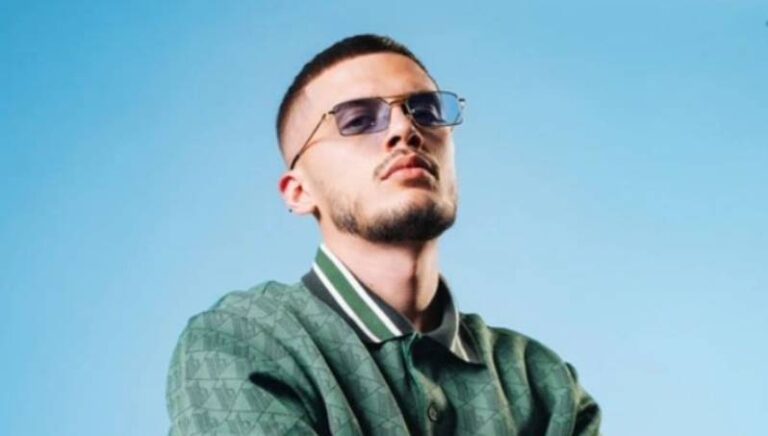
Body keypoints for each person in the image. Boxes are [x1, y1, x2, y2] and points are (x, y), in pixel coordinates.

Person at [166, 34, 601, 436]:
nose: (404, 129)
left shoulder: (542, 382)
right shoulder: (240, 342)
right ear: (298, 192)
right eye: (357, 121)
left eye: (426, 112)